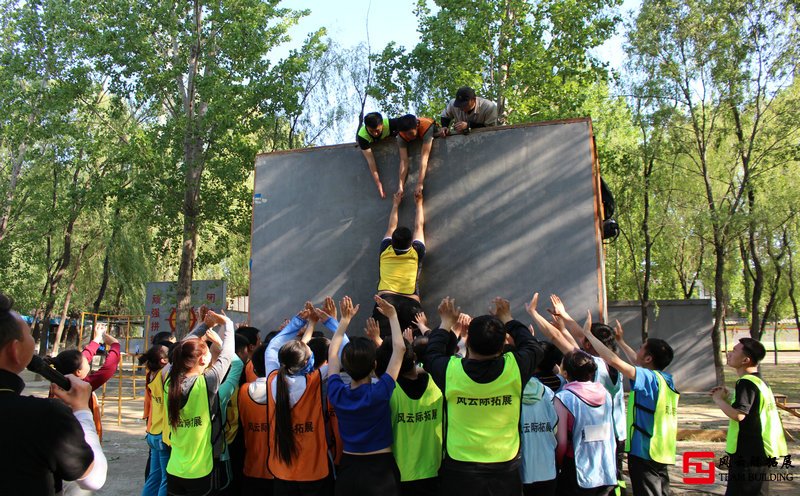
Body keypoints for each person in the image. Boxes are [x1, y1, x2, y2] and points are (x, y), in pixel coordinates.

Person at [423, 296, 543, 496]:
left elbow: (431, 354)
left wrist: (445, 323)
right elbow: (533, 346)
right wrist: (508, 319)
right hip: (504, 466)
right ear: (501, 347)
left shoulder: (450, 371)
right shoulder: (515, 368)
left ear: (467, 342)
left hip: (460, 467)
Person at [0, 292, 107, 494]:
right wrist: (83, 410)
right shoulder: (42, 416)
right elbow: (94, 478)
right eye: (30, 335)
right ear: (15, 351)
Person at [580, 312, 678, 496]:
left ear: (648, 358)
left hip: (645, 449)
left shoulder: (648, 378)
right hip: (661, 448)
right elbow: (636, 361)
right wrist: (622, 342)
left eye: (641, 348)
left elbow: (613, 360)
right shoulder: (665, 379)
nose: (638, 350)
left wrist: (590, 335)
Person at [262, 298, 344, 495]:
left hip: (282, 473)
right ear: (308, 362)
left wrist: (301, 321)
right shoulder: (315, 379)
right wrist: (333, 321)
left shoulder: (273, 378)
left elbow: (273, 346)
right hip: (314, 473)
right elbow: (342, 351)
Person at [328, 295, 406, 496]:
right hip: (381, 469)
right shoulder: (381, 392)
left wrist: (344, 321)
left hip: (349, 469)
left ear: (344, 367)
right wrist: (392, 316)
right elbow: (400, 349)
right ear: (374, 366)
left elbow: (332, 353)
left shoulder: (336, 392)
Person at [164, 310, 235, 496]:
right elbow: (227, 354)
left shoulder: (169, 382)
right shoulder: (206, 383)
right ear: (203, 359)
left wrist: (205, 326)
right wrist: (227, 324)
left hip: (174, 469)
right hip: (201, 472)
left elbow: (181, 348)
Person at [711, 338, 788, 496]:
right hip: (759, 450)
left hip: (747, 452)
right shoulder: (760, 382)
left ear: (746, 360)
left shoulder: (746, 383)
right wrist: (729, 397)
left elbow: (739, 415)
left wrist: (718, 400)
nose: (729, 354)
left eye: (734, 350)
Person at [376, 337, 443, 496]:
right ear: (414, 358)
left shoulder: (387, 392)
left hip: (402, 473)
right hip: (437, 469)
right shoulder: (438, 382)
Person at [554, 350, 616, 495]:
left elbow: (561, 442)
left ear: (565, 373)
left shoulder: (564, 398)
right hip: (605, 467)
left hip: (576, 467)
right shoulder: (606, 394)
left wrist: (558, 464)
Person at [47, 322, 120, 443]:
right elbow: (108, 368)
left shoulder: (58, 381)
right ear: (79, 371)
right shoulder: (80, 387)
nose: (88, 361)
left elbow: (83, 356)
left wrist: (97, 339)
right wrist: (115, 345)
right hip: (79, 441)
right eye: (86, 362)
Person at [373, 190, 425, 337]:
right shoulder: (417, 251)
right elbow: (419, 227)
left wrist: (395, 204)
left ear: (392, 241)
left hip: (385, 299)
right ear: (412, 243)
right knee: (415, 341)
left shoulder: (385, 250)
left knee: (383, 344)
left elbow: (391, 227)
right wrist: (419, 203)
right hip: (411, 302)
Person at [237, 344, 274, 494]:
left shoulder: (244, 391)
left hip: (251, 465)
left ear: (254, 368)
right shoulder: (283, 392)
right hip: (278, 469)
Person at [140, 344, 172, 496]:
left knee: (154, 477)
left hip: (153, 432)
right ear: (163, 361)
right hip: (161, 435)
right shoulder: (163, 375)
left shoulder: (151, 374)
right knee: (166, 480)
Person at [357, 112, 402, 198]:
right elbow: (371, 161)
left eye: (377, 130)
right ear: (366, 127)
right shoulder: (362, 136)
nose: (375, 134)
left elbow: (409, 123)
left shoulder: (390, 123)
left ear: (382, 125)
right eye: (371, 131)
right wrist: (378, 183)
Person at [396, 114, 437, 196]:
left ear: (417, 125)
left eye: (410, 133)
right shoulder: (401, 136)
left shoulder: (426, 127)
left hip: (430, 129)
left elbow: (424, 157)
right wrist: (400, 186)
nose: (408, 136)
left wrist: (420, 183)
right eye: (405, 134)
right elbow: (404, 161)